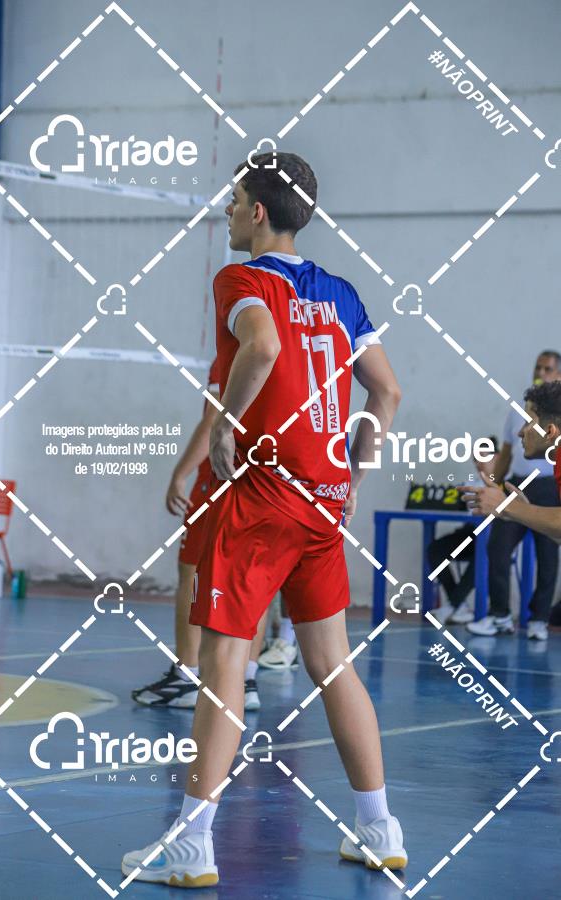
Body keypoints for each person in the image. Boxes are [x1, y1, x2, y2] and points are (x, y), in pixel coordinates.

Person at [121, 151, 405, 887]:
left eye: (234, 197)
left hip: (261, 497)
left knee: (223, 666)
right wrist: (352, 475)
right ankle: (379, 830)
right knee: (332, 664)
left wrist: (224, 427)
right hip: (323, 502)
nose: (225, 210)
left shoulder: (240, 280)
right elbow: (386, 393)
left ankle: (191, 844)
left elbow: (264, 346)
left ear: (256, 212)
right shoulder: (341, 293)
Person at [131, 359, 265, 710]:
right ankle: (247, 679)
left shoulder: (238, 348)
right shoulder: (292, 343)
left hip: (221, 475)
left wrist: (180, 473)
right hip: (266, 476)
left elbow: (214, 418)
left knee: (191, 571)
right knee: (257, 578)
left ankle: (187, 676)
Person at [464, 352, 561, 641]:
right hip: (521, 485)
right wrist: (514, 508)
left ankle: (538, 620)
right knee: (498, 547)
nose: (520, 432)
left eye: (529, 423)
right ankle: (500, 615)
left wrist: (509, 507)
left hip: (541, 489)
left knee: (547, 561)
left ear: (550, 431)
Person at [429, 446, 499, 626]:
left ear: (497, 457)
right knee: (436, 550)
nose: (478, 463)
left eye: (483, 457)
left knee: (483, 555)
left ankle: (452, 605)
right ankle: (459, 607)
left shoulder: (506, 482)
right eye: (475, 459)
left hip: (494, 538)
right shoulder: (471, 483)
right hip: (470, 534)